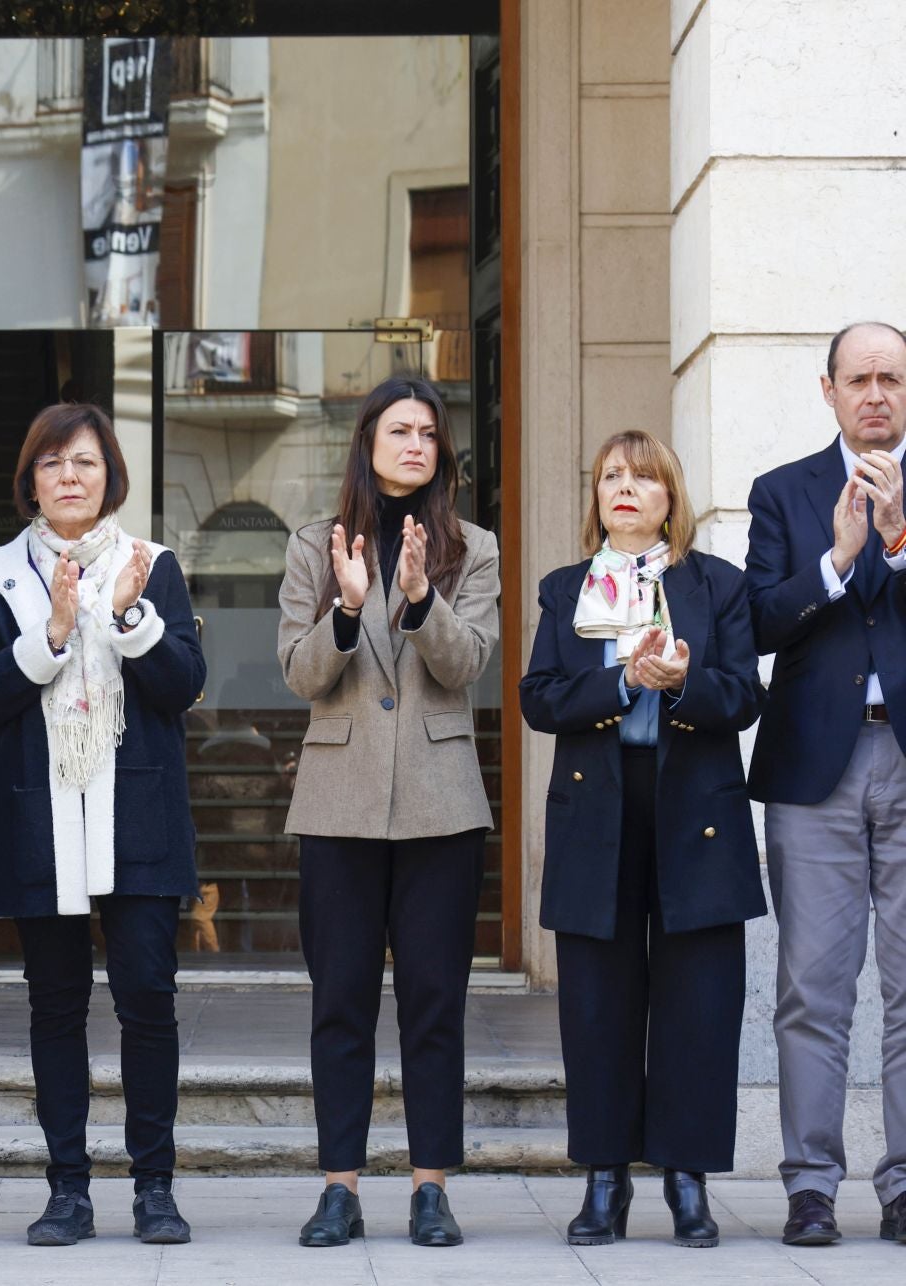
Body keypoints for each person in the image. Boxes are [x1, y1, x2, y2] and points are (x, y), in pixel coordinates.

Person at [0, 403, 205, 1247]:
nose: (71, 476)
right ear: (31, 479)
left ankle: (155, 1189)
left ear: (111, 477)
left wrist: (132, 618)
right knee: (55, 1008)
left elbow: (182, 688)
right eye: (55, 463)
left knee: (148, 1002)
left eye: (87, 463)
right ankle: (67, 1188)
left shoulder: (153, 564)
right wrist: (55, 632)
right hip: (40, 814)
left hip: (137, 812)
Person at [521, 429, 765, 1248]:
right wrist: (622, 680)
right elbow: (541, 699)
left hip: (694, 808)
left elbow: (742, 697)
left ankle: (689, 1181)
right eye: (610, 476)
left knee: (700, 1004)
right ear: (596, 498)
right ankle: (604, 1180)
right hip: (598, 811)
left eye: (643, 477)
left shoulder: (716, 585)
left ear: (671, 497)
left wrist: (684, 682)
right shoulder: (566, 590)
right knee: (597, 1006)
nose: (624, 487)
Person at [275, 374, 500, 1249]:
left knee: (436, 1002)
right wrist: (346, 606)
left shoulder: (470, 547)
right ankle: (339, 1185)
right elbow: (299, 672)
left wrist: (416, 598)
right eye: (399, 429)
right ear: (367, 440)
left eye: (429, 433)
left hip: (442, 807)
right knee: (340, 1001)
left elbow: (466, 664)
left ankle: (431, 1185)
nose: (416, 444)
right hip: (337, 804)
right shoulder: (311, 544)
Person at [745, 320, 906, 1248]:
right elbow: (759, 623)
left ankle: (904, 1181)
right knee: (813, 987)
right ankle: (811, 1185)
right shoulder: (785, 493)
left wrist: (897, 541)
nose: (876, 393)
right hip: (816, 769)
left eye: (891, 378)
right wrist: (840, 561)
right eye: (860, 379)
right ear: (829, 390)